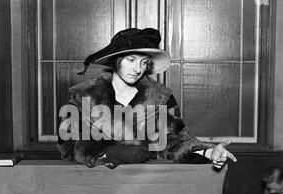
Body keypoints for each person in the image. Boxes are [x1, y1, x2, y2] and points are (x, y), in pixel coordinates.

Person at [57, 28, 237, 169]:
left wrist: (209, 152)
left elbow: (176, 142)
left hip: (144, 189)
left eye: (143, 62)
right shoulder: (83, 96)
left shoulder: (161, 98)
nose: (138, 69)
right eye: (131, 60)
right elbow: (68, 146)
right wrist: (109, 154)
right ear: (115, 60)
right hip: (97, 189)